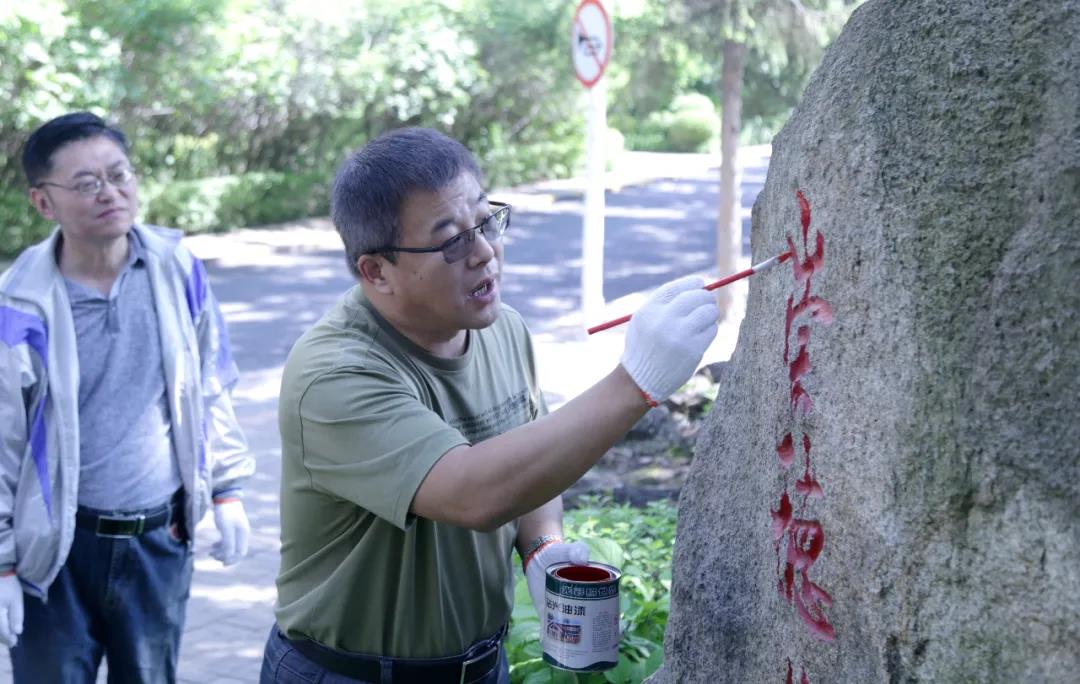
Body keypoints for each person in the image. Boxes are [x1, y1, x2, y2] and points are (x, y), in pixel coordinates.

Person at [260, 127, 718, 683]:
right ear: (376, 270)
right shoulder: (332, 375)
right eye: (450, 239)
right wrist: (635, 383)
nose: (484, 252)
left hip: (481, 667)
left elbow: (529, 460)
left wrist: (541, 547)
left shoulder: (504, 330)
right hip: (350, 675)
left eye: (486, 221)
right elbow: (473, 491)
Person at [0, 111, 256, 682]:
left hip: (156, 540)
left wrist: (227, 489)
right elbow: (3, 439)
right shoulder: (19, 304)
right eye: (87, 183)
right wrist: (2, 567)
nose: (109, 193)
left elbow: (211, 380)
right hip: (55, 551)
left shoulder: (175, 268)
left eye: (119, 175)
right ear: (44, 203)